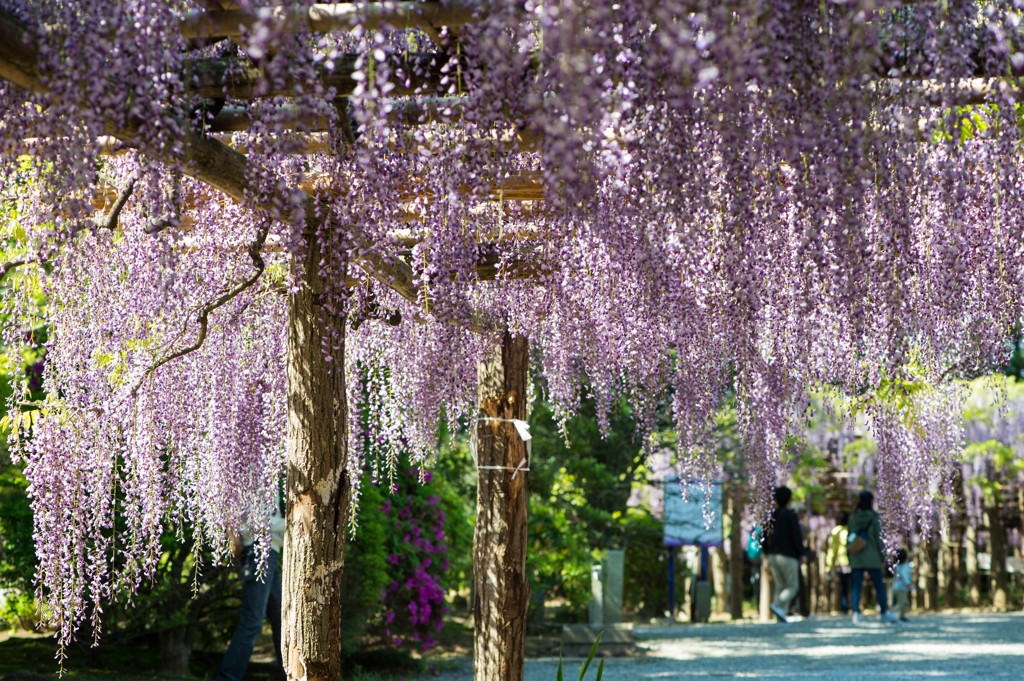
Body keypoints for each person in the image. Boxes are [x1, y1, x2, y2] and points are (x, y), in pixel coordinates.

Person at [219, 505, 287, 681]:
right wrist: (296, 521)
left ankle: (291, 676)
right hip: (259, 550)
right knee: (252, 622)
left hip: (268, 550)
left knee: (281, 622)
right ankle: (227, 678)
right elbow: (257, 521)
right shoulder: (255, 477)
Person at [848, 491, 898, 624]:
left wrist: (849, 555)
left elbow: (849, 537)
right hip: (872, 557)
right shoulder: (875, 518)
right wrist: (884, 557)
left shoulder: (853, 518)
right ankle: (883, 613)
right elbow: (879, 539)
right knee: (879, 586)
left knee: (856, 587)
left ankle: (856, 614)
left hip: (856, 556)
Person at [762, 485, 804, 623]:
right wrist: (801, 553)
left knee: (780, 586)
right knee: (792, 586)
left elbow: (762, 535)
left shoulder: (771, 515)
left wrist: (766, 552)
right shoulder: (790, 514)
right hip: (788, 555)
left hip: (773, 555)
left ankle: (781, 617)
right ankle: (777, 606)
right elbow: (796, 536)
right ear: (789, 499)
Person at [825, 510, 852, 614]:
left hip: (841, 563)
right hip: (851, 561)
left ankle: (845, 609)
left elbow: (832, 549)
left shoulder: (835, 531)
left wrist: (828, 564)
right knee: (853, 585)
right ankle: (854, 608)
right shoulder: (850, 529)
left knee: (843, 586)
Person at [891, 547, 914, 622]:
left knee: (904, 602)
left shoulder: (897, 566)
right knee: (901, 603)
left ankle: (902, 616)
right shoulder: (905, 566)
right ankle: (891, 615)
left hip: (895, 586)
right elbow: (904, 574)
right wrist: (908, 583)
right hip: (901, 587)